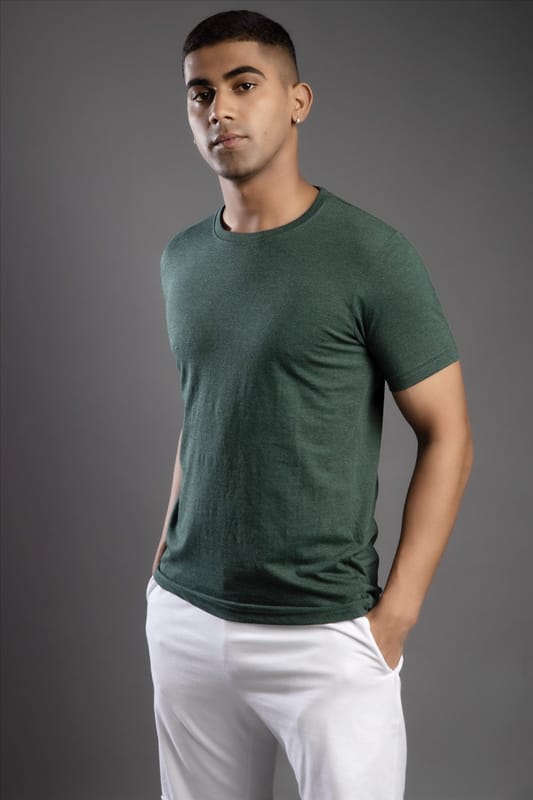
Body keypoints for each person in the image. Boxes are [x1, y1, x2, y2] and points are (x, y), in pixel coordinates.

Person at [145, 8, 474, 800]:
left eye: (243, 85)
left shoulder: (370, 254)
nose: (219, 109)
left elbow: (449, 436)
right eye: (200, 93)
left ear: (297, 101)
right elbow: (205, 412)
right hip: (187, 619)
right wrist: (162, 565)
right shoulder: (182, 259)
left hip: (324, 633)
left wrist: (394, 618)